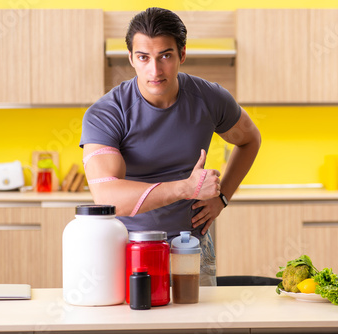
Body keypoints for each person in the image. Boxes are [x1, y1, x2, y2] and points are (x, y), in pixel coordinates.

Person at [79, 7, 261, 285]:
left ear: (182, 55)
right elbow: (107, 197)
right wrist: (186, 188)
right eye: (143, 57)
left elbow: (250, 140)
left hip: (190, 246)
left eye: (165, 55)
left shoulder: (209, 98)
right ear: (131, 58)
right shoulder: (107, 113)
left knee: (198, 326)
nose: (155, 70)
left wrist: (221, 198)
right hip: (127, 247)